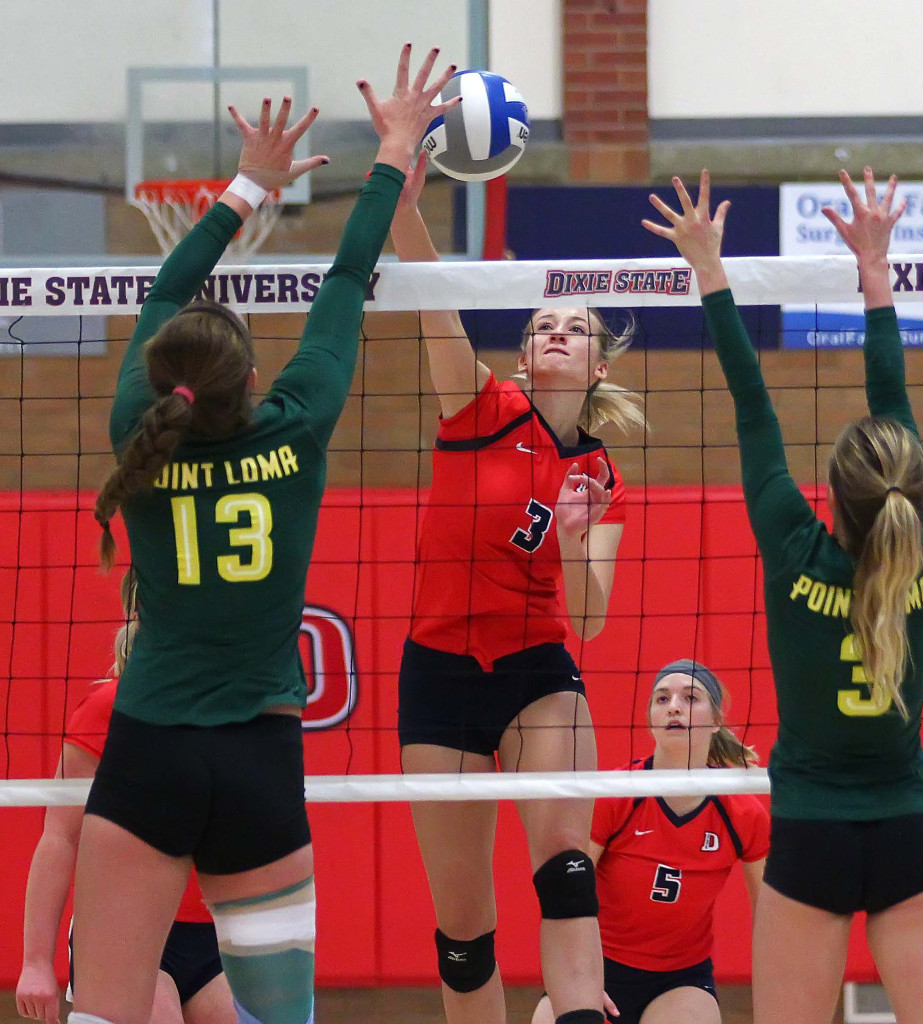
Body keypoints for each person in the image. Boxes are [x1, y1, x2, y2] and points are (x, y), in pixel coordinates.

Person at [67, 45, 458, 1024]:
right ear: (253, 383)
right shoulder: (297, 429)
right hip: (258, 763)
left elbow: (163, 292)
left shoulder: (136, 437)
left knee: (101, 1014)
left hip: (147, 746)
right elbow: (345, 278)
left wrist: (248, 184)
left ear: (166, 381)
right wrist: (391, 154)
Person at [642, 168, 923, 1024]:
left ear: (830, 495)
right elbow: (891, 401)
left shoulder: (793, 551)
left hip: (809, 836)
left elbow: (753, 407)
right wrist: (876, 273)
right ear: (908, 493)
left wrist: (707, 269)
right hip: (906, 828)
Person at [389, 149, 644, 1024]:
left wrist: (575, 537)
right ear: (527, 357)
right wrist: (400, 197)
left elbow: (590, 621)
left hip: (539, 669)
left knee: (566, 861)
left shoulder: (602, 473)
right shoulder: (477, 405)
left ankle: (576, 1012)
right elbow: (428, 294)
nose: (553, 332)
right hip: (438, 676)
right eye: (540, 325)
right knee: (463, 933)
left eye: (572, 325)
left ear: (598, 365)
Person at [16, 571, 236, 1024]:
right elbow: (60, 838)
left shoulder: (237, 707)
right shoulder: (108, 708)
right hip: (124, 930)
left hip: (217, 936)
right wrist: (36, 962)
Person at [532, 659, 768, 1024]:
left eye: (690, 697)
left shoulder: (742, 813)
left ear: (716, 720)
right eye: (662, 698)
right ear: (651, 719)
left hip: (680, 981)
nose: (674, 705)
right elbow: (567, 896)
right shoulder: (617, 794)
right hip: (596, 964)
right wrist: (579, 980)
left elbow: (769, 917)